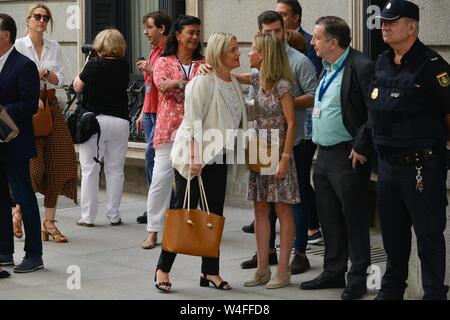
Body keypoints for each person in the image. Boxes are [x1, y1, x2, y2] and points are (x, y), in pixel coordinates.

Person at [155, 32, 248, 293]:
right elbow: (194, 122)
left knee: (213, 214)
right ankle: (163, 268)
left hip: (219, 156)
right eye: (233, 50)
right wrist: (196, 159)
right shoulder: (202, 82)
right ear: (220, 54)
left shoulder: (231, 82)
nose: (238, 53)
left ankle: (210, 272)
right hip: (195, 158)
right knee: (181, 211)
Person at [371, 0, 450, 300]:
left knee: (428, 237)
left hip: (421, 168)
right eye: (383, 21)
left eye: (392, 21)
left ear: (412, 27)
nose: (385, 26)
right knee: (392, 237)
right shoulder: (381, 62)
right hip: (387, 166)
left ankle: (433, 294)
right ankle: (391, 292)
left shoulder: (434, 66)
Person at [299, 16, 373, 300]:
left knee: (353, 219)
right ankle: (333, 271)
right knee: (329, 218)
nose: (312, 42)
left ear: (333, 42)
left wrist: (362, 145)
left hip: (348, 154)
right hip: (324, 154)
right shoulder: (328, 66)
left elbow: (372, 111)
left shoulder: (361, 66)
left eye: (316, 38)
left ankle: (358, 278)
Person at [240, 11, 318, 277]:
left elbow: (313, 96)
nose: (271, 36)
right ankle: (266, 257)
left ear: (284, 30)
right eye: (265, 32)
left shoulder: (299, 62)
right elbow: (248, 95)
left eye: (275, 30)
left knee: (290, 201)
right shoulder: (256, 70)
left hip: (291, 141)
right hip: (261, 143)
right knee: (262, 204)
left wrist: (284, 103)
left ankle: (299, 253)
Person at [235, 33, 299, 289]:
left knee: (283, 208)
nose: (248, 53)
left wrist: (285, 156)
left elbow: (292, 123)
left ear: (262, 55)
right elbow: (233, 76)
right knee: (259, 207)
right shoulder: (256, 78)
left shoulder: (283, 86)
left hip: (278, 149)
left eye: (251, 49)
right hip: (259, 148)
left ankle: (282, 271)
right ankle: (262, 269)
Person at [147, 14, 204, 284]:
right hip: (170, 129)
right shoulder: (164, 62)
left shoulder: (203, 63)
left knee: (189, 186)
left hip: (196, 133)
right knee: (161, 178)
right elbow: (163, 86)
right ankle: (153, 229)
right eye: (189, 32)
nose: (194, 37)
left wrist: (181, 84)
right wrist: (187, 83)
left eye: (197, 33)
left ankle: (189, 228)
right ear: (178, 35)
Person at [14, 3, 77, 243]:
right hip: (27, 109)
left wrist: (46, 74)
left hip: (50, 107)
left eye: (46, 18)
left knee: (61, 162)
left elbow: (59, 78)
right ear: (28, 20)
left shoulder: (54, 46)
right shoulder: (19, 46)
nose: (42, 21)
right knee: (32, 167)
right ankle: (18, 209)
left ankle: (49, 222)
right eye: (37, 16)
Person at [276, 0, 323, 246]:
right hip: (270, 134)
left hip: (302, 127)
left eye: (283, 15)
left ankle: (309, 232)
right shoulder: (265, 51)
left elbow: (313, 91)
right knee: (276, 187)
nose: (279, 21)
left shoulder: (307, 46)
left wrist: (286, 102)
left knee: (299, 182)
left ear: (296, 17)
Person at [0, 13, 44, 273]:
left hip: (15, 144)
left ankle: (34, 254)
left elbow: (29, 105)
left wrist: (2, 111)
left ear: (5, 35)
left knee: (24, 197)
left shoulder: (23, 65)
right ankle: (4, 251)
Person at [73, 29, 130, 227]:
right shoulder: (124, 65)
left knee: (90, 169)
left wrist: (88, 62)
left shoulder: (94, 64)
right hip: (121, 121)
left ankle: (88, 217)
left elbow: (77, 86)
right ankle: (114, 214)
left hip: (96, 121)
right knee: (116, 170)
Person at [134, 11, 172, 248]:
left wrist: (151, 68)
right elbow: (149, 88)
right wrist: (141, 112)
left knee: (153, 158)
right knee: (153, 162)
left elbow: (163, 82)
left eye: (149, 27)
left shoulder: (167, 52)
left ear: (163, 29)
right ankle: (155, 206)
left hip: (162, 114)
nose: (146, 32)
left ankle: (160, 208)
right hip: (149, 111)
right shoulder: (154, 50)